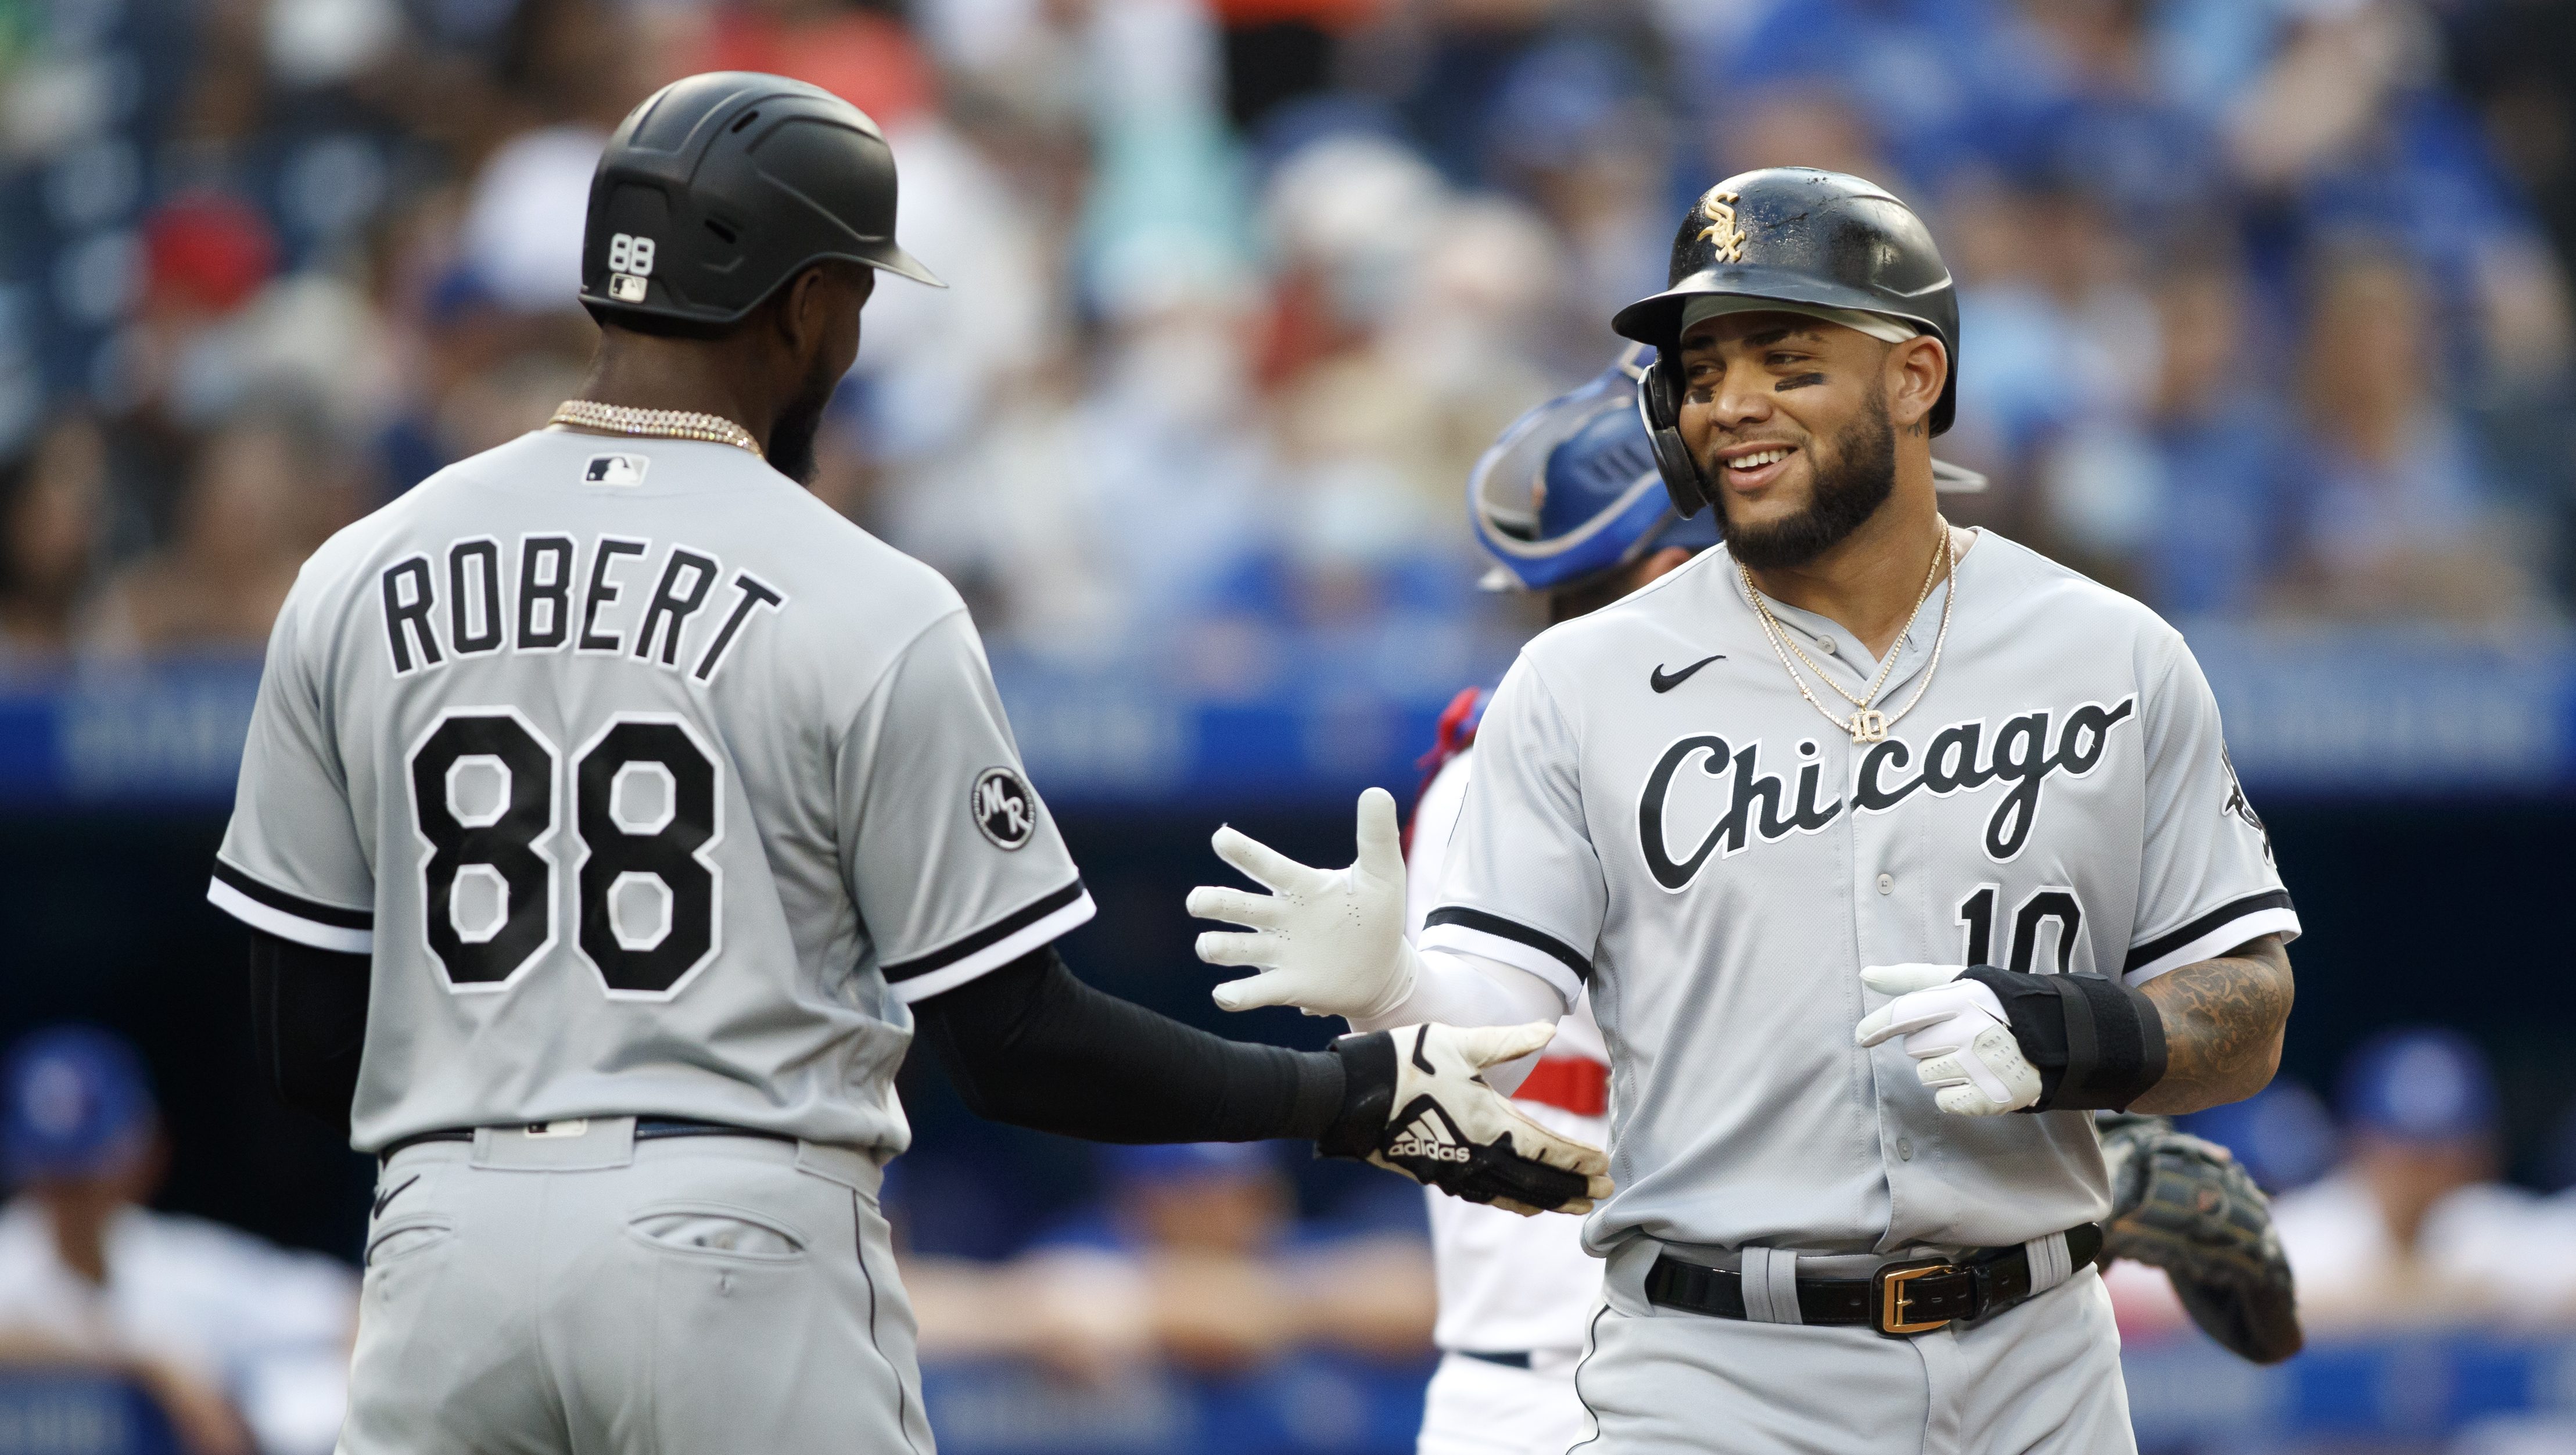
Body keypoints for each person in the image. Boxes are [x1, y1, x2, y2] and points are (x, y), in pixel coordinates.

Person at [203, 71, 1605, 1455]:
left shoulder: (352, 573)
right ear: (807, 303)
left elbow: (304, 1045)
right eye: (853, 296)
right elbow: (1014, 1045)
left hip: (441, 1251)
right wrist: (1340, 1092)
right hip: (734, 1237)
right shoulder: (862, 593)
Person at [1189, 167, 2301, 1453]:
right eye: (1704, 377)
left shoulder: (2104, 652)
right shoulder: (1561, 712)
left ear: (1916, 380)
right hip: (1627, 1363)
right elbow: (1496, 1101)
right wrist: (1389, 987)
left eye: (1784, 360)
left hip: (2025, 1352)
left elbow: (2238, 1001)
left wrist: (2086, 1048)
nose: (1732, 413)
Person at [0, 1026, 356, 1455]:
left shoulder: (170, 1262)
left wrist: (251, 1411)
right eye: (56, 1175)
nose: (72, 1196)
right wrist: (146, 1364)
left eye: (84, 1175)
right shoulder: (11, 1254)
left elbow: (351, 1308)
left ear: (142, 1154)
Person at [2269, 1028, 2576, 1328]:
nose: (2421, 1177)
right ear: (2359, 1145)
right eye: (2404, 1151)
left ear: (2483, 1156)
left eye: (2442, 1152)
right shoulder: (2307, 1228)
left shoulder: (2489, 1223)